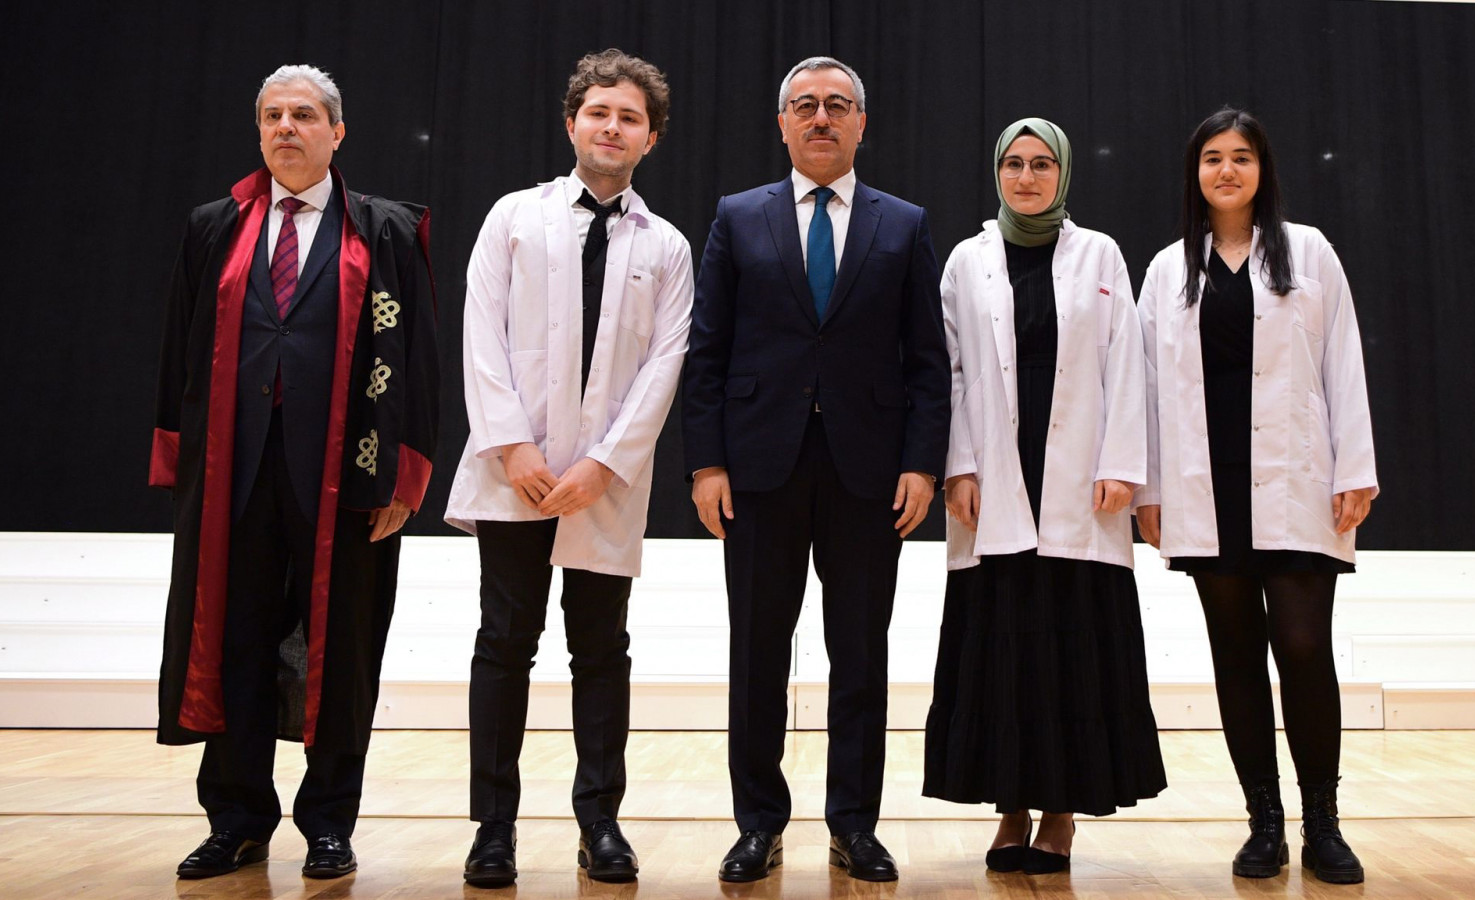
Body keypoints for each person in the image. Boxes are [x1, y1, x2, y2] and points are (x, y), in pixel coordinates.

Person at [150, 64, 438, 880]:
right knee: (233, 640)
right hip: (233, 475)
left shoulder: (384, 230)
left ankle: (329, 823)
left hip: (347, 474)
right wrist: (177, 461)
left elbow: (417, 358)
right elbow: (178, 347)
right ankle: (237, 819)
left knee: (340, 648)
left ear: (336, 132)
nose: (286, 128)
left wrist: (406, 477)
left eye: (304, 115)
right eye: (272, 115)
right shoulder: (216, 226)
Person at [682, 56, 949, 884]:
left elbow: (928, 361)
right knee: (758, 654)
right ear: (783, 124)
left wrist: (923, 465)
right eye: (805, 105)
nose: (821, 117)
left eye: (838, 105)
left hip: (870, 475)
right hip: (757, 470)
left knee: (860, 655)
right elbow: (706, 351)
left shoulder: (904, 223)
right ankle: (758, 824)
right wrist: (706, 463)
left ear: (862, 122)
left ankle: (854, 825)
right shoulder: (738, 216)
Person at [443, 49, 692, 888]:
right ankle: (493, 829)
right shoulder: (514, 217)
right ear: (571, 123)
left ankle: (600, 822)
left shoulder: (668, 246)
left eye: (629, 118)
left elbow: (665, 365)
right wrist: (511, 445)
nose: (611, 127)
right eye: (599, 113)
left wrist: (604, 465)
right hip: (513, 470)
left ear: (651, 138)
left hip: (601, 486)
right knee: (504, 644)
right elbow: (480, 334)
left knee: (602, 651)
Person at [1134, 107, 1378, 885]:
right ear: (1195, 173)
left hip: (1296, 481)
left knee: (1303, 648)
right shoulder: (1167, 269)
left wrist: (1354, 468)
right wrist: (1149, 489)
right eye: (1213, 157)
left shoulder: (1308, 251)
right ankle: (1263, 823)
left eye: (1241, 156)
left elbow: (1343, 360)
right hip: (1207, 489)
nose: (1227, 170)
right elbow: (1143, 388)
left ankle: (1323, 823)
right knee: (1236, 655)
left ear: (1262, 169)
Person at [923, 117, 1167, 874]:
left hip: (1082, 484)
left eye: (1040, 165)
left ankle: (1060, 814)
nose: (1026, 178)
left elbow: (1128, 362)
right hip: (994, 479)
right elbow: (946, 369)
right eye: (1013, 164)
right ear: (997, 173)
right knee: (1003, 649)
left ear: (1062, 173)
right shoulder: (966, 260)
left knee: (1071, 649)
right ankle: (1011, 809)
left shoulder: (1100, 254)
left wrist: (1124, 464)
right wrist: (958, 466)